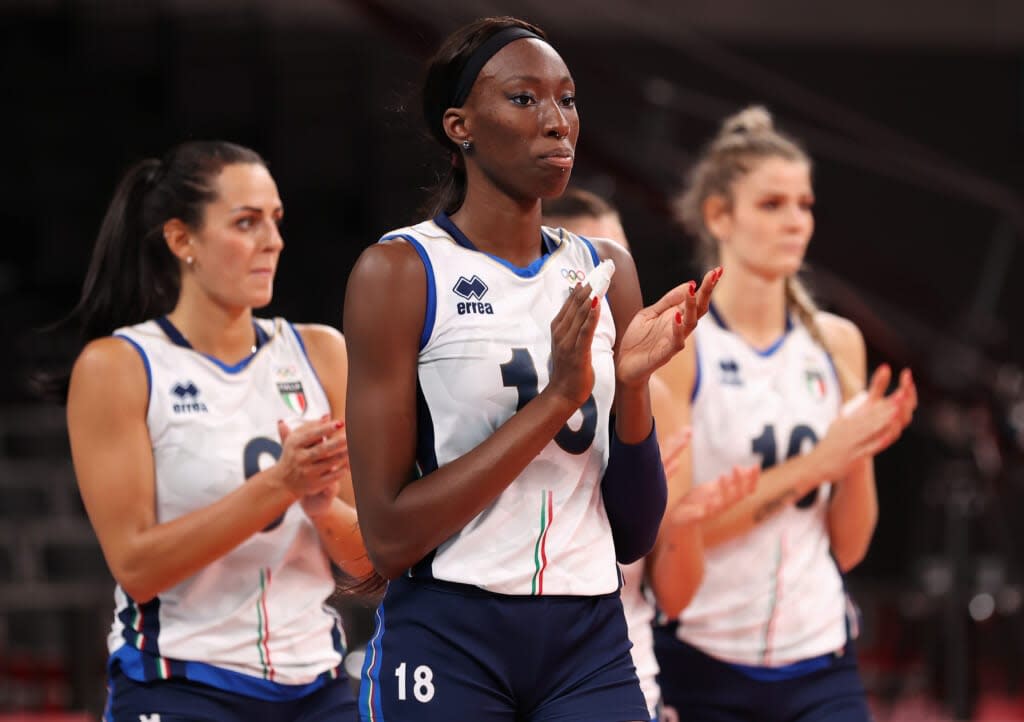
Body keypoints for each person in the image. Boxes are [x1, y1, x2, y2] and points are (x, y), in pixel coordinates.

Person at [343, 17, 720, 722]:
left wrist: (632, 385)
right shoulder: (399, 272)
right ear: (460, 126)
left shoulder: (608, 270)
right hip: (452, 631)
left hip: (588, 637)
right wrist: (557, 401)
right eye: (524, 99)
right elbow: (388, 538)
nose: (557, 123)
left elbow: (635, 533)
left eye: (568, 100)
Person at [60, 140, 371, 721]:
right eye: (246, 223)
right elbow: (137, 567)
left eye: (275, 221)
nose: (272, 241)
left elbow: (369, 567)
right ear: (182, 240)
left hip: (317, 685)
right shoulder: (119, 366)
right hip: (179, 682)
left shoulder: (322, 352)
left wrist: (325, 510)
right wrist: (280, 485)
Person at [651, 106, 918, 721]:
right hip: (703, 655)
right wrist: (815, 464)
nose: (796, 221)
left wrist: (857, 454)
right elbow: (677, 538)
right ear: (719, 215)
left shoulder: (837, 343)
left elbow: (848, 549)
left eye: (804, 205)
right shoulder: (680, 346)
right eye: (773, 205)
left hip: (820, 656)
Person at [542, 187, 757, 722]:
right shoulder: (487, 384)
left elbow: (674, 597)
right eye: (599, 267)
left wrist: (681, 522)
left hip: (622, 684)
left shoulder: (653, 395)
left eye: (623, 262)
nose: (618, 283)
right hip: (501, 677)